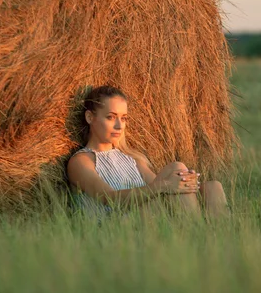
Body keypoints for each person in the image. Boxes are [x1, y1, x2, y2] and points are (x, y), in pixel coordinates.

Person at [66, 85, 228, 218]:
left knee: (212, 187)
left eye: (124, 118)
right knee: (176, 168)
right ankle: (197, 239)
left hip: (149, 218)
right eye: (111, 117)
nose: (119, 125)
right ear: (89, 117)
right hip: (117, 226)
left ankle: (217, 244)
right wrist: (166, 184)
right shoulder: (82, 161)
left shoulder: (131, 159)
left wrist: (185, 183)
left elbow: (162, 190)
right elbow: (110, 199)